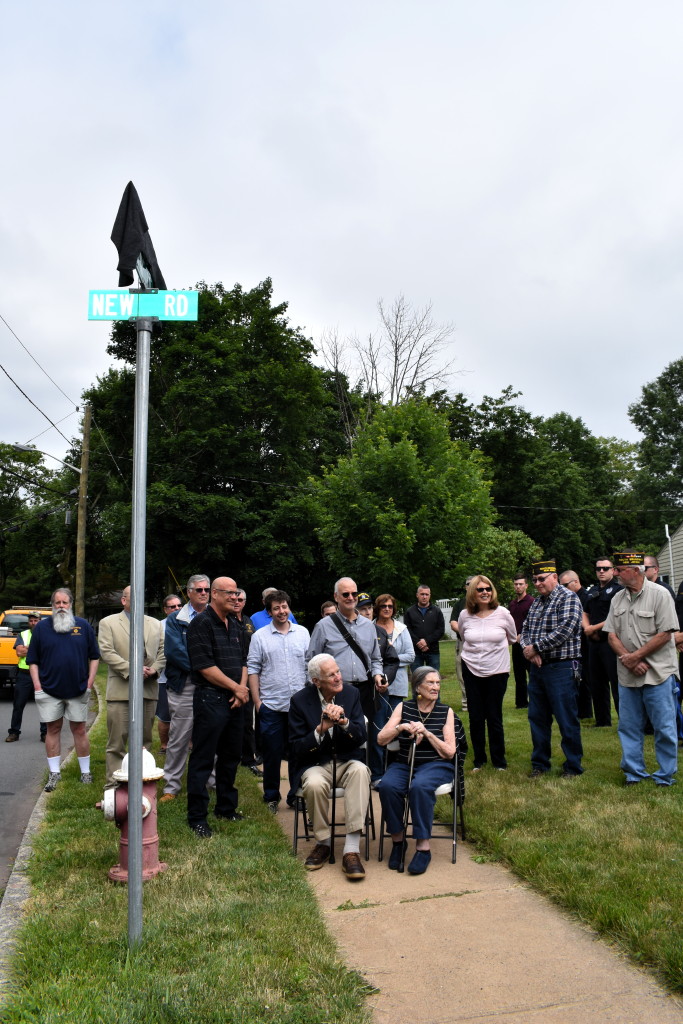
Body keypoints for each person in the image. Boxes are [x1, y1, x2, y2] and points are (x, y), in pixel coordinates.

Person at [288, 654, 370, 880]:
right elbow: (295, 748)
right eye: (331, 674)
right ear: (316, 681)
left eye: (338, 671)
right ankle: (323, 843)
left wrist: (344, 724)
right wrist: (320, 729)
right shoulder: (299, 701)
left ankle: (351, 849)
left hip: (347, 760)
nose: (338, 677)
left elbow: (361, 736)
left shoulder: (351, 694)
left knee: (361, 771)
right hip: (316, 763)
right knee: (313, 783)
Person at [605, 551, 679, 787]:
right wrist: (629, 659)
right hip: (628, 674)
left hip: (658, 674)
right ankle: (634, 773)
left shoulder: (660, 594)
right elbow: (611, 635)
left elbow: (666, 633)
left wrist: (635, 657)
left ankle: (665, 775)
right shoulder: (617, 598)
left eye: (619, 569)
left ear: (635, 571)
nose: (615, 573)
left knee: (664, 727)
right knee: (628, 726)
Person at [376, 667, 457, 875]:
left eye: (438, 683)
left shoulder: (445, 711)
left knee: (419, 787)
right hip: (404, 763)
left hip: (436, 765)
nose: (435, 687)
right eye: (430, 683)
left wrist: (428, 733)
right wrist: (400, 728)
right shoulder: (404, 707)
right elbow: (381, 739)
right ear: (418, 686)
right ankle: (398, 842)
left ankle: (423, 848)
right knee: (387, 785)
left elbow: (449, 752)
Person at [185, 577, 249, 837]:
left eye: (237, 593)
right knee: (203, 758)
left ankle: (226, 807)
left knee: (231, 757)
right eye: (230, 593)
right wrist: (235, 688)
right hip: (210, 699)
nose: (235, 598)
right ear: (214, 594)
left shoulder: (235, 623)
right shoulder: (200, 624)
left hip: (236, 701)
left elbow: (244, 661)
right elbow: (204, 666)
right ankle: (197, 817)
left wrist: (241, 690)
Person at [27, 588, 99, 791]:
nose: (60, 607)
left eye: (64, 603)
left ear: (71, 604)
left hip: (78, 689)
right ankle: (54, 774)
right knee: (53, 729)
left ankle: (85, 773)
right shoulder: (41, 628)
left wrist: (90, 683)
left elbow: (94, 656)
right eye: (57, 603)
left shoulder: (83, 626)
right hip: (49, 690)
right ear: (52, 605)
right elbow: (32, 660)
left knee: (80, 730)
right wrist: (37, 685)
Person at [247, 589, 310, 812]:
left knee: (298, 752)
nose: (281, 611)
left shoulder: (303, 633)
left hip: (299, 707)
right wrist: (257, 703)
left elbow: (308, 667)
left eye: (284, 607)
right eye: (276, 608)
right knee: (272, 754)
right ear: (270, 611)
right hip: (271, 705)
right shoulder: (259, 636)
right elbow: (253, 669)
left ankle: (295, 795)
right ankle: (271, 796)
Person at [520, 558, 583, 778]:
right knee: (537, 717)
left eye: (541, 579)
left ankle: (573, 766)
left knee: (566, 718)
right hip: (538, 669)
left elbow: (565, 630)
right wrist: (528, 648)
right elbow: (525, 629)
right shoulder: (537, 602)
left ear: (554, 577)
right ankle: (540, 764)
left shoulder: (569, 598)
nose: (537, 583)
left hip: (562, 668)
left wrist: (535, 648)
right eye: (534, 579)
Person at [98, 585, 165, 788]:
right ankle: (113, 787)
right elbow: (107, 652)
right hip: (121, 690)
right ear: (123, 600)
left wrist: (153, 670)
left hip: (148, 689)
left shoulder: (155, 624)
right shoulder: (108, 622)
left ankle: (142, 785)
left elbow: (163, 651)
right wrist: (134, 669)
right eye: (132, 597)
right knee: (117, 742)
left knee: (144, 742)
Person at [160, 574, 211, 803]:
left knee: (210, 734)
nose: (203, 593)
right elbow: (174, 652)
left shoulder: (217, 616)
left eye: (206, 589)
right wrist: (204, 669)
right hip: (186, 683)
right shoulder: (175, 620)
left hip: (213, 684)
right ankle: (171, 786)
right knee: (179, 736)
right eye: (198, 589)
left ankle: (211, 781)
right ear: (188, 592)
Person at [306, 577, 384, 725]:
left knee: (363, 734)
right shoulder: (323, 626)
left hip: (364, 691)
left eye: (354, 594)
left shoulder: (368, 626)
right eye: (345, 594)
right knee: (338, 734)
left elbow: (375, 659)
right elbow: (311, 662)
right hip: (335, 691)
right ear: (336, 597)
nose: (351, 597)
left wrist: (378, 675)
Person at [458, 576, 517, 771]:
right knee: (476, 717)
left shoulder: (503, 614)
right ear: (472, 593)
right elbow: (463, 636)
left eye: (488, 589)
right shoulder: (465, 615)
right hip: (471, 668)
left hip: (497, 671)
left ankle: (499, 761)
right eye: (480, 589)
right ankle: (479, 761)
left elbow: (512, 638)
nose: (485, 592)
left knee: (494, 716)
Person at [370, 594, 415, 784]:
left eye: (390, 606)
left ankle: (395, 772)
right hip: (378, 686)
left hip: (398, 685)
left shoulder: (401, 628)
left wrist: (392, 656)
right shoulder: (369, 628)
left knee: (397, 729)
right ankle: (377, 774)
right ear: (377, 608)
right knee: (379, 729)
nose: (387, 609)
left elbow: (411, 655)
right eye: (383, 606)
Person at [582, 558, 622, 727]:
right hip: (594, 642)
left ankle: (625, 720)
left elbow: (616, 616)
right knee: (596, 682)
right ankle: (602, 720)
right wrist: (587, 628)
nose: (602, 571)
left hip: (610, 641)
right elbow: (585, 611)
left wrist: (594, 628)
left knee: (617, 682)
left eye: (606, 568)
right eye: (598, 568)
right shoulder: (592, 591)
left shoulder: (618, 591)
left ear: (613, 570)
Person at [231, 588, 261, 777]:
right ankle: (231, 756)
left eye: (241, 599)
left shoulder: (249, 622)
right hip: (230, 675)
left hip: (248, 675)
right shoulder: (225, 620)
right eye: (235, 599)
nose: (237, 602)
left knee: (248, 720)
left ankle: (249, 758)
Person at [558, 570, 593, 719]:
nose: (563, 588)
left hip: (585, 643)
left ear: (576, 582)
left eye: (565, 585)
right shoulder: (567, 598)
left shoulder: (586, 598)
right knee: (576, 677)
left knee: (584, 678)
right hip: (573, 644)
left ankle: (585, 712)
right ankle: (579, 710)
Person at [6, 612, 44, 742]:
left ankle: (44, 733)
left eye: (36, 620)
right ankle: (14, 733)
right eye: (31, 621)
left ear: (40, 621)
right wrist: (37, 648)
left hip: (41, 675)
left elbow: (47, 650)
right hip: (24, 675)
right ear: (29, 622)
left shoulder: (46, 635)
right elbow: (19, 652)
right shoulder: (23, 634)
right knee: (18, 705)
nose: (33, 623)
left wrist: (27, 648)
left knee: (44, 705)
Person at [156, 594, 182, 752]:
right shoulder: (159, 627)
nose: (177, 609)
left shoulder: (188, 623)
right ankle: (164, 745)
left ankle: (189, 743)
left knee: (187, 714)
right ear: (165, 610)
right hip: (164, 678)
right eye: (172, 607)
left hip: (184, 677)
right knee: (165, 715)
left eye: (179, 605)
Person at [404, 585, 445, 672]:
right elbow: (407, 630)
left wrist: (426, 641)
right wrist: (418, 643)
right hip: (415, 652)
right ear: (417, 595)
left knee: (433, 678)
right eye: (422, 594)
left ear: (430, 595)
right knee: (417, 679)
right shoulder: (410, 612)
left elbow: (440, 630)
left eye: (427, 594)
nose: (424, 597)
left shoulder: (437, 611)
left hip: (433, 651)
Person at [508, 574, 534, 710]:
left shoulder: (532, 602)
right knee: (519, 674)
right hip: (515, 643)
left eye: (520, 584)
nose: (518, 586)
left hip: (528, 643)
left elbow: (533, 624)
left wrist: (522, 635)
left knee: (532, 672)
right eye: (516, 584)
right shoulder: (512, 604)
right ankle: (521, 702)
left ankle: (536, 700)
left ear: (526, 585)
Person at [449, 577, 474, 712]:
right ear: (465, 587)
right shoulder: (459, 604)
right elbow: (453, 623)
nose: (471, 586)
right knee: (461, 673)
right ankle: (466, 703)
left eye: (474, 584)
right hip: (462, 642)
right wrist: (466, 632)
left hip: (479, 643)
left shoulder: (482, 602)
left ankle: (478, 701)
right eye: (468, 584)